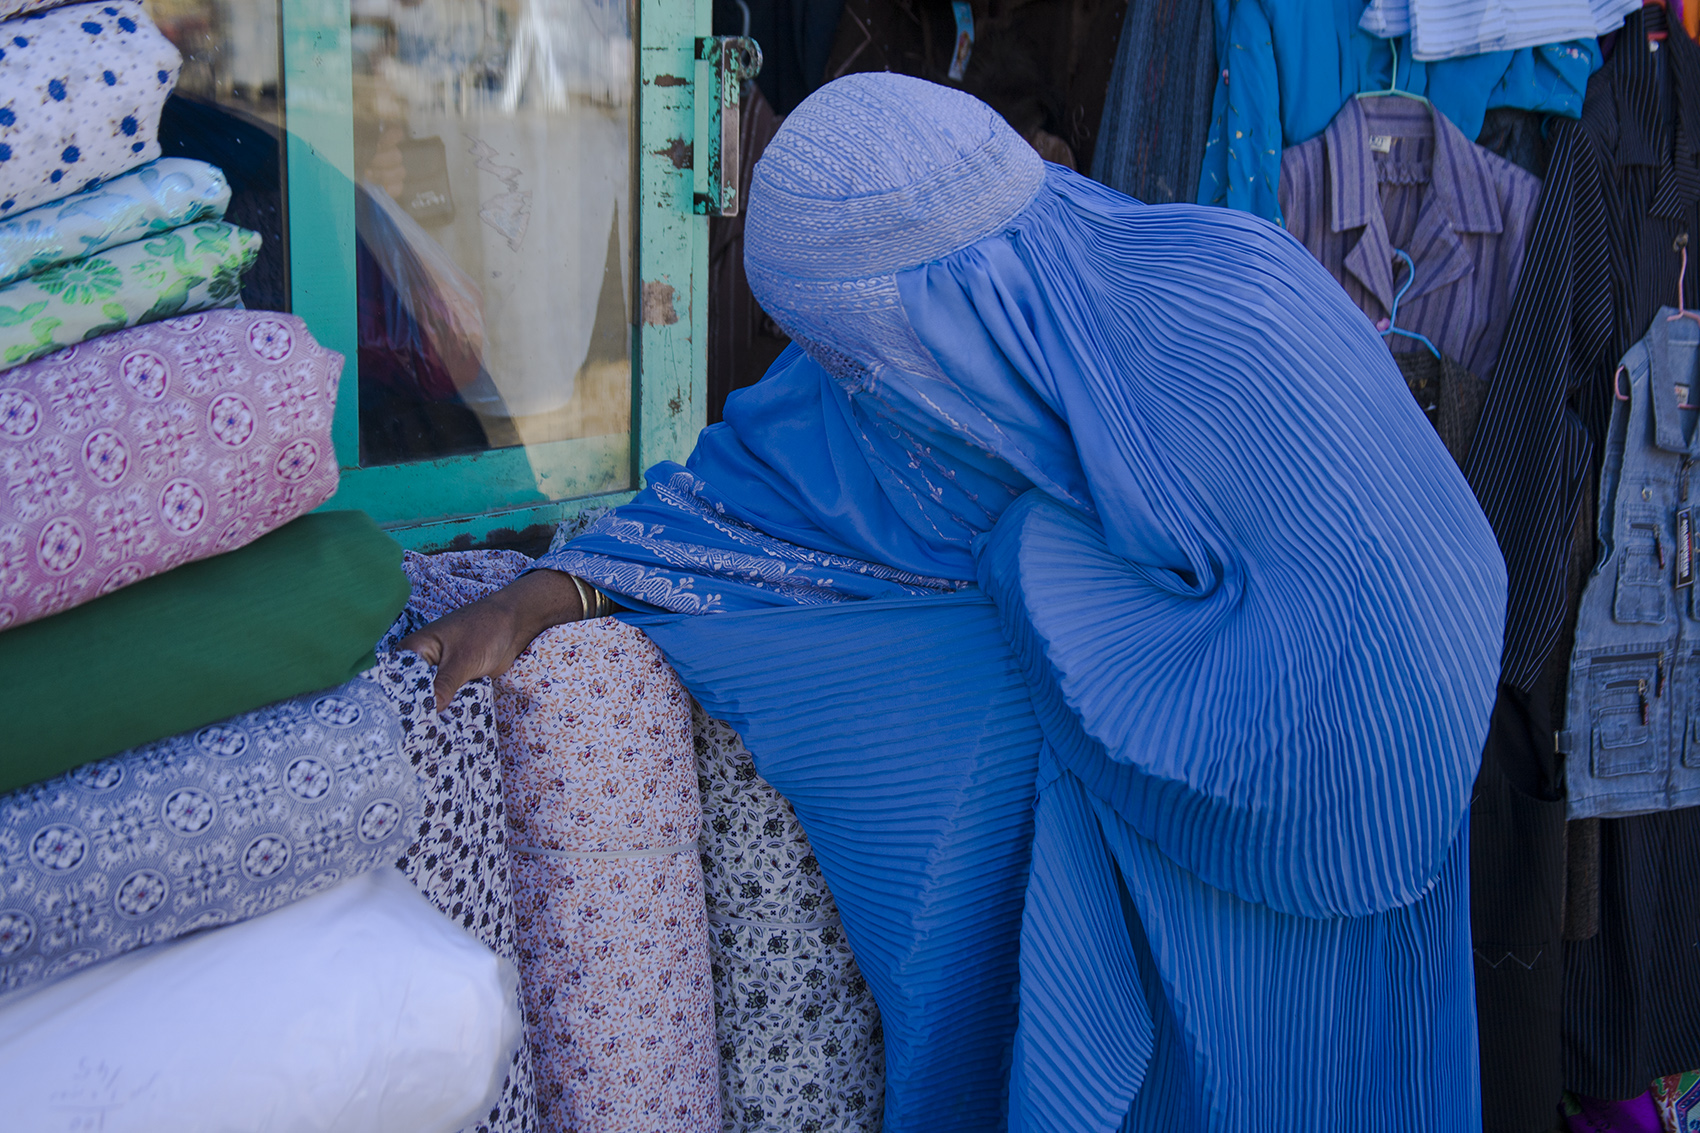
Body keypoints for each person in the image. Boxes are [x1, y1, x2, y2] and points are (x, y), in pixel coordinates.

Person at [402, 72, 1505, 1132]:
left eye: (848, 345)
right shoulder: (904, 365)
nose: (842, 379)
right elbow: (756, 482)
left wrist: (1073, 613)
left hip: (1308, 880)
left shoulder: (1238, 317)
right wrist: (542, 595)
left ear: (957, 299)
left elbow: (1414, 612)